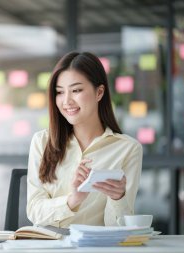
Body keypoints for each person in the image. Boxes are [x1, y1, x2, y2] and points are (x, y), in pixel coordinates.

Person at [27, 52, 143, 228]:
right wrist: (72, 200)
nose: (66, 101)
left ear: (99, 92)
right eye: (59, 92)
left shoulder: (128, 149)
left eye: (76, 90)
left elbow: (119, 229)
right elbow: (34, 211)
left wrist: (118, 198)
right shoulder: (42, 142)